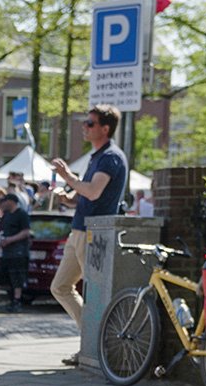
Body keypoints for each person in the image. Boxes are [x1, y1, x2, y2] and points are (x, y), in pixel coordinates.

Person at [50, 104, 128, 366]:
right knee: (60, 287)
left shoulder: (110, 158)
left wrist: (67, 176)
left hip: (93, 233)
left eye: (90, 123)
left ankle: (96, 347)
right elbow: (85, 195)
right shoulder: (97, 157)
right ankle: (91, 340)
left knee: (94, 292)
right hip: (79, 231)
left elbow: (94, 192)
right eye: (85, 122)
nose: (84, 126)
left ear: (105, 129)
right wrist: (68, 198)